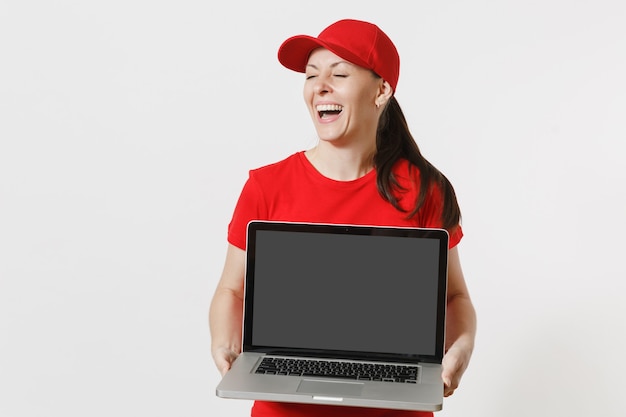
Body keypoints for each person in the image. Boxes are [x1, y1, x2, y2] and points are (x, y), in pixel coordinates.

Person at [209, 19, 477, 417]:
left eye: (339, 74)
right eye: (311, 75)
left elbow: (455, 297)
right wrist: (224, 342)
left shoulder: (425, 191)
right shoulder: (266, 187)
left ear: (381, 90)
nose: (320, 86)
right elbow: (232, 290)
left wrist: (461, 347)